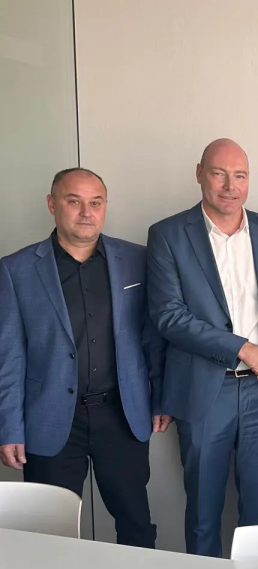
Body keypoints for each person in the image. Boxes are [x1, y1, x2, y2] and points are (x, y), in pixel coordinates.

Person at [146, 139, 258, 557]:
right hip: (204, 390)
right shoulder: (168, 235)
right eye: (219, 174)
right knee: (203, 512)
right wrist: (244, 349)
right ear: (199, 173)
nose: (230, 186)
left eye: (240, 176)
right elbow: (170, 317)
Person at [0, 168, 169, 547]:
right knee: (48, 536)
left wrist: (161, 398)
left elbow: (153, 339)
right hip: (50, 418)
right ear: (52, 204)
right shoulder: (15, 270)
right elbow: (8, 357)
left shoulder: (137, 260)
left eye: (96, 202)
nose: (86, 212)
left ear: (105, 206)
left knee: (136, 525)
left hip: (122, 415)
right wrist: (9, 427)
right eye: (74, 201)